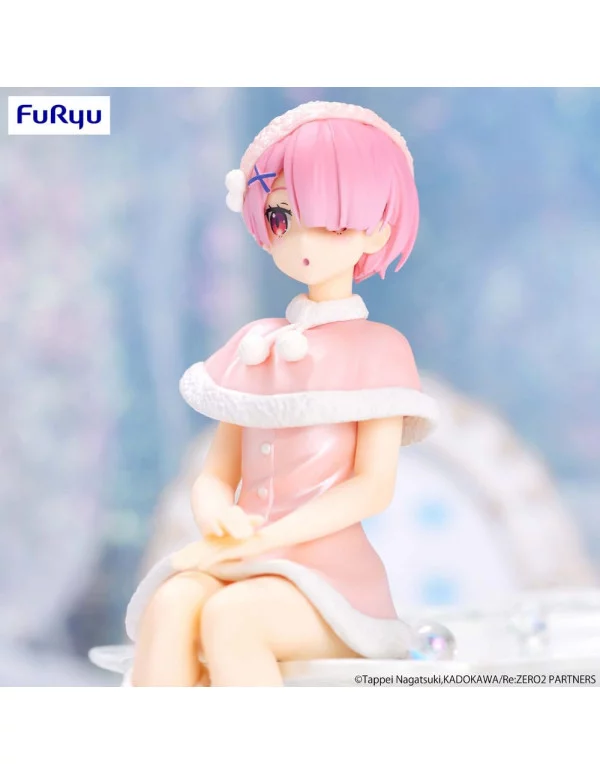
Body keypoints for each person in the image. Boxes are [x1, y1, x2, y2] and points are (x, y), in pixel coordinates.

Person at [126, 101, 439, 686]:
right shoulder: (255, 345)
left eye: (332, 222)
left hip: (330, 580)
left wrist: (264, 541)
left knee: (232, 618)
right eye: (281, 217)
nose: (302, 241)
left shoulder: (378, 350)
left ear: (376, 228)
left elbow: (372, 488)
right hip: (241, 557)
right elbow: (216, 474)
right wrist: (217, 515)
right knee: (171, 603)